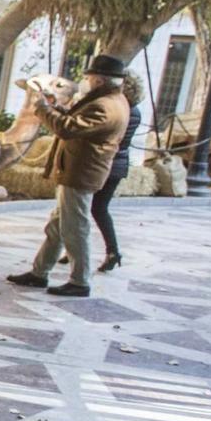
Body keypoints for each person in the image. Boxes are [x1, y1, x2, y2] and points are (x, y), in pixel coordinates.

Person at [6, 53, 131, 297]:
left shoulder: (105, 106)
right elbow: (75, 119)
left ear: (100, 80)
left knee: (75, 228)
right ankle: (39, 272)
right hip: (76, 171)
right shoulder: (109, 99)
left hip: (81, 173)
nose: (86, 80)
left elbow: (67, 128)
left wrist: (42, 110)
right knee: (57, 226)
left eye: (90, 76)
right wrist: (56, 107)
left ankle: (80, 281)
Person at [88, 73, 143, 272]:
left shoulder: (117, 108)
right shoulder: (134, 110)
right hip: (119, 164)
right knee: (98, 209)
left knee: (86, 207)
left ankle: (80, 251)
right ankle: (112, 251)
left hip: (104, 163)